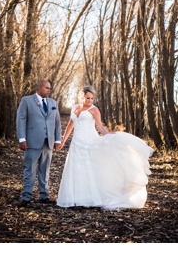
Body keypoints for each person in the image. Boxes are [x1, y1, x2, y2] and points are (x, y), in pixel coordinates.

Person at [57, 86, 154, 210]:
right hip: (76, 143)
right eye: (87, 98)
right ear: (81, 97)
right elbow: (71, 125)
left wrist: (108, 135)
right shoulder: (75, 108)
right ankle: (75, 198)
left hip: (89, 142)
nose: (90, 101)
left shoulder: (94, 110)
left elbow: (100, 126)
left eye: (92, 98)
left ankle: (91, 198)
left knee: (89, 169)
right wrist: (63, 141)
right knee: (75, 168)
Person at [15, 79, 62, 207]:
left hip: (48, 143)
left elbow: (57, 122)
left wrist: (58, 140)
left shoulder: (53, 103)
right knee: (29, 169)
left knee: (45, 170)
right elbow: (21, 120)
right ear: (39, 88)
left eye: (50, 88)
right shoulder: (27, 101)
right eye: (46, 88)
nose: (49, 90)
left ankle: (44, 195)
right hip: (32, 142)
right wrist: (22, 139)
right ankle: (26, 196)